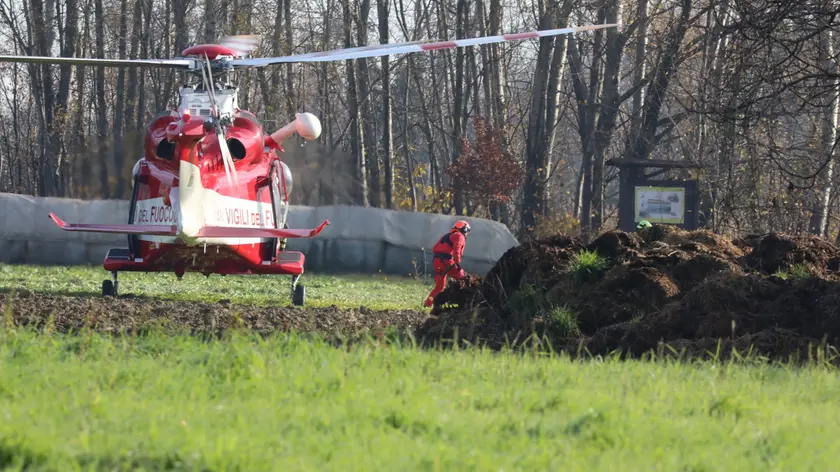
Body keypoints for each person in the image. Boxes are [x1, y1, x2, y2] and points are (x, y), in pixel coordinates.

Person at [424, 220, 471, 308]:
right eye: (467, 231)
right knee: (463, 279)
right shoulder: (459, 236)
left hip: (437, 261)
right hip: (447, 262)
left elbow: (434, 248)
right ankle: (467, 302)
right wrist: (457, 264)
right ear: (464, 230)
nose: (467, 234)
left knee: (439, 287)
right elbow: (457, 251)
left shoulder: (447, 235)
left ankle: (428, 303)